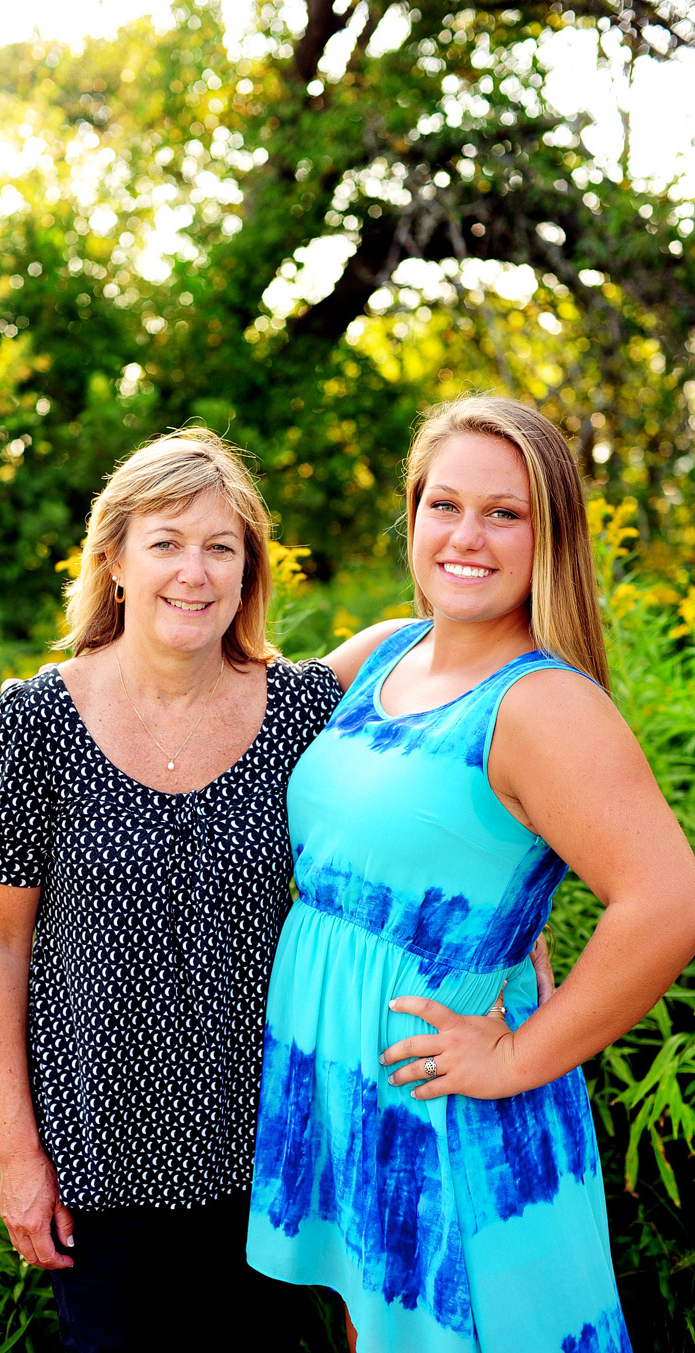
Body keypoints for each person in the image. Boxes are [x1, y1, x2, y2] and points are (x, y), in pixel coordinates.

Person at [246, 395, 695, 1353]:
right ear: (411, 518)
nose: (467, 536)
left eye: (505, 512)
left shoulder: (541, 705)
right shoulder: (382, 653)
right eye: (444, 505)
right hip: (350, 1079)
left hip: (452, 1100)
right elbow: (232, 724)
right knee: (381, 1328)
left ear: (550, 536)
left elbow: (669, 901)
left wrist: (517, 1058)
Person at [0, 429, 346, 1352]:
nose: (195, 572)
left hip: (271, 1166)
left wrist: (510, 924)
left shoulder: (302, 710)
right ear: (115, 559)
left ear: (249, 571)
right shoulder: (38, 720)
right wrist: (20, 1157)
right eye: (166, 542)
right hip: (97, 1169)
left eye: (222, 547)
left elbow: (427, 684)